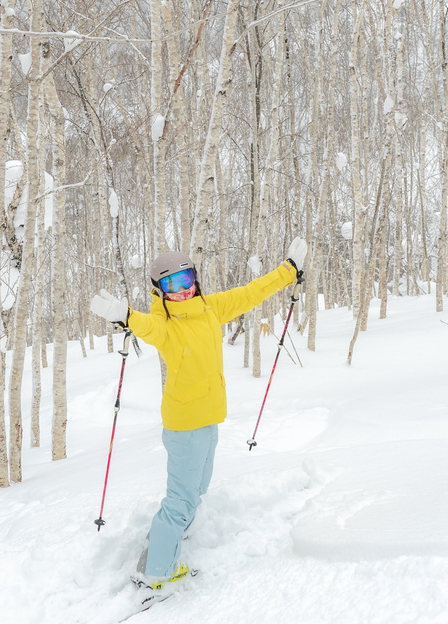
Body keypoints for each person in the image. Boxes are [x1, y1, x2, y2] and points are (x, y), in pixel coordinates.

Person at [89, 237, 307, 592]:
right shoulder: (166, 325)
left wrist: (288, 271)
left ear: (195, 279)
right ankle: (157, 571)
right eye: (171, 285)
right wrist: (126, 316)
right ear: (159, 290)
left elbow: (252, 292)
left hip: (208, 420)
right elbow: (147, 326)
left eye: (186, 280)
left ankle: (169, 538)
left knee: (197, 490)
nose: (182, 291)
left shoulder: (211, 309)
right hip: (185, 426)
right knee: (181, 499)